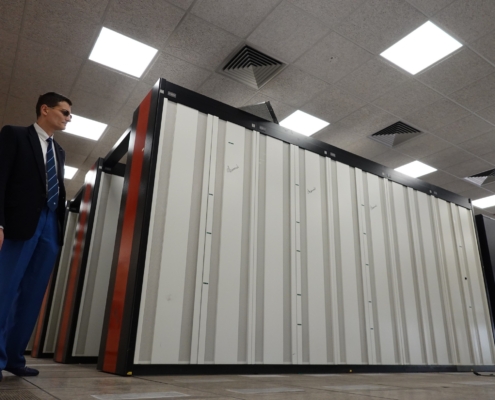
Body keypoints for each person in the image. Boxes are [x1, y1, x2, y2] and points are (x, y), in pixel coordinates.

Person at [0, 92, 71, 382]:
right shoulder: (15, 135)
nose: (68, 118)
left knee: (32, 297)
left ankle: (14, 358)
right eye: (65, 112)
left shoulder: (60, 152)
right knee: (5, 289)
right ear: (45, 109)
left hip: (50, 225)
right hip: (20, 223)